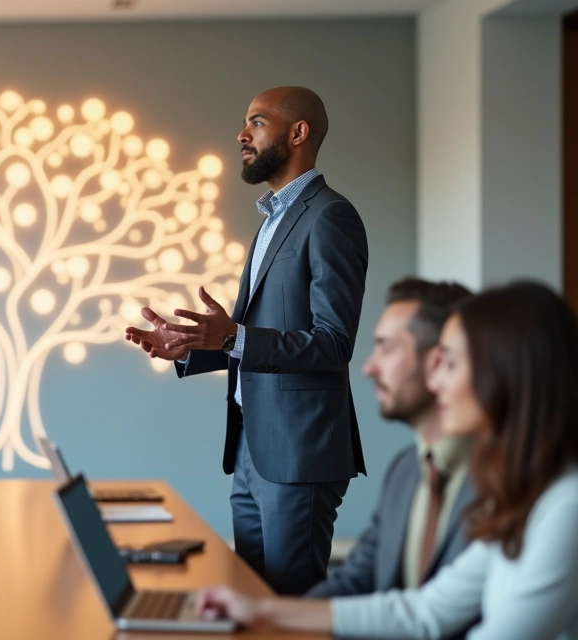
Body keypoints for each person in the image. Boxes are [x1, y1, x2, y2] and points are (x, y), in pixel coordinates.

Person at [196, 281, 578, 640]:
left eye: (453, 364)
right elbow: (425, 611)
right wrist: (264, 613)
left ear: (506, 376)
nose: (438, 380)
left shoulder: (562, 503)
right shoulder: (513, 487)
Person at [124, 86, 369, 595]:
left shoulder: (330, 217)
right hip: (252, 449)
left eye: (256, 122)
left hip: (298, 455)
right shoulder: (272, 222)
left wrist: (233, 334)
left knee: (289, 607)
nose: (241, 133)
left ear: (298, 133)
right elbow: (258, 336)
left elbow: (332, 344)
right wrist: (193, 346)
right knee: (256, 603)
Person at [306, 278, 475, 614]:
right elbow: (354, 582)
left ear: (438, 361)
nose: (369, 367)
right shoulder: (406, 469)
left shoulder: (505, 476)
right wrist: (267, 619)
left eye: (386, 348)